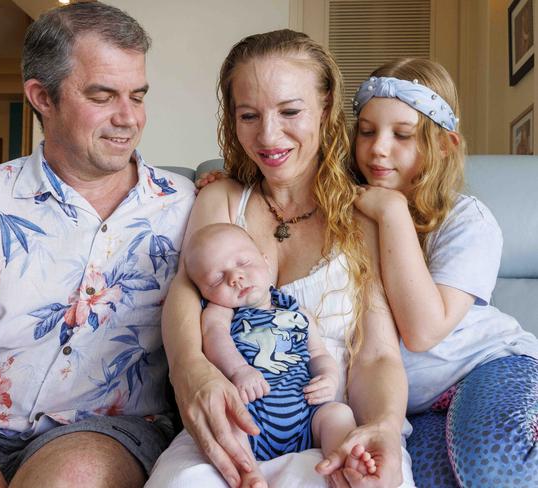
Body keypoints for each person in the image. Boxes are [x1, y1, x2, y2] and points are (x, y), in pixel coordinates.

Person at [0, 3, 194, 488]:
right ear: (42, 97)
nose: (128, 118)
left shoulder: (190, 207)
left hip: (104, 431)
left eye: (138, 96)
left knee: (71, 478)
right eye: (103, 95)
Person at [147, 30, 415, 488]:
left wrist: (384, 427)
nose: (268, 136)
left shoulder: (363, 214)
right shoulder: (222, 200)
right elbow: (185, 298)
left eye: (290, 111)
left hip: (330, 430)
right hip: (235, 423)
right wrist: (190, 371)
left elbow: (376, 356)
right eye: (248, 115)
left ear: (327, 108)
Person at [350, 58, 538, 487]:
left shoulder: (467, 219)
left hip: (488, 366)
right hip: (416, 405)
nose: (378, 148)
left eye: (402, 135)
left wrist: (393, 211)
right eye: (366, 131)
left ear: (443, 146)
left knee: (496, 465)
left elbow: (422, 330)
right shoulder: (350, 206)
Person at [183, 223, 376, 487]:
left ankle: (343, 464)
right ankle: (248, 473)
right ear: (204, 293)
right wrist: (239, 370)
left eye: (243, 262)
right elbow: (214, 337)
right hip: (250, 415)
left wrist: (329, 377)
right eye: (217, 279)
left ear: (265, 261)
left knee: (338, 414)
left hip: (306, 416)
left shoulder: (298, 313)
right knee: (227, 424)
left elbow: (318, 353)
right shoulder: (222, 312)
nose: (235, 277)